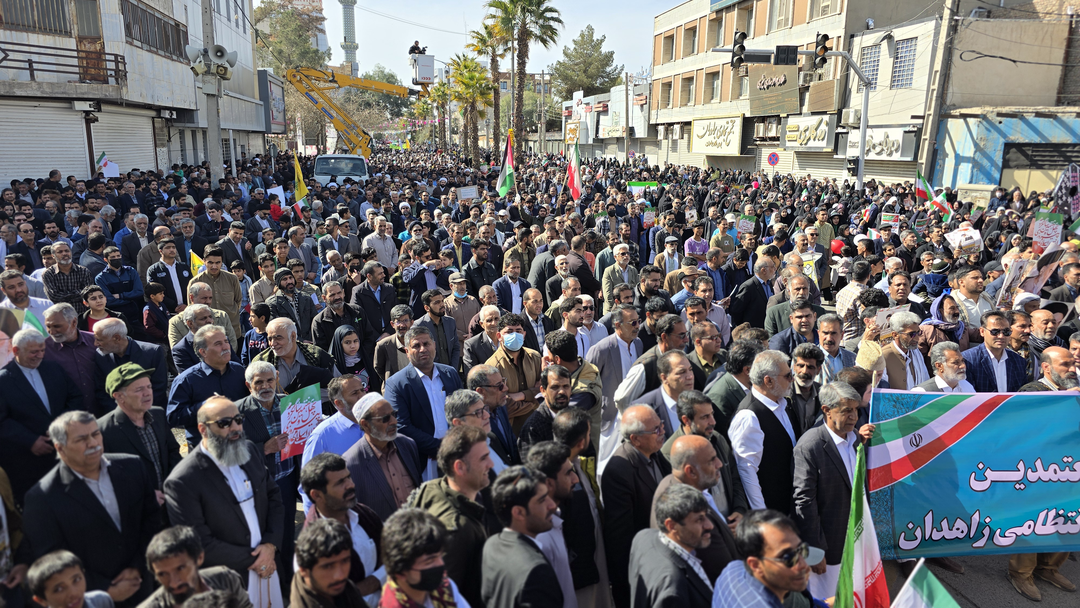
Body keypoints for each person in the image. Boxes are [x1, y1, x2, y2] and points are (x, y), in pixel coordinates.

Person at [24, 411, 161, 605]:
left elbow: (152, 521)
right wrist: (106, 590)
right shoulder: (42, 498)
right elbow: (52, 561)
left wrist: (138, 567)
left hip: (143, 586)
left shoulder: (133, 467)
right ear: (60, 448)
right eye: (81, 439)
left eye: (95, 434)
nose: (92, 443)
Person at [163, 397, 285, 608]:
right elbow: (199, 543)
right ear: (202, 429)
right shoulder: (183, 481)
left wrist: (271, 544)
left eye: (238, 419)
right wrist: (257, 559)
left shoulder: (249, 450)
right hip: (229, 581)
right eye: (224, 423)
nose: (235, 427)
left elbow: (274, 497)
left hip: (268, 565)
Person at [792, 381, 868, 599]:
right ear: (826, 410)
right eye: (847, 411)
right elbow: (804, 503)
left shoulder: (854, 440)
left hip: (856, 541)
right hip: (829, 549)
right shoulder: (810, 446)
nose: (854, 416)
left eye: (856, 410)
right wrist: (815, 551)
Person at [408, 424, 491, 607]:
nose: (490, 464)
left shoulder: (433, 487)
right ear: (459, 467)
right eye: (483, 458)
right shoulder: (458, 529)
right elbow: (445, 596)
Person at [0, 328, 83, 501]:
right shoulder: (3, 381)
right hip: (29, 461)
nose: (40, 355)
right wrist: (30, 441)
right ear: (16, 351)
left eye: (42, 350)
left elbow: (75, 397)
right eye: (34, 352)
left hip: (66, 451)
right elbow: (2, 421)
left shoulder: (53, 369)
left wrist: (63, 426)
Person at [236, 362, 300, 586]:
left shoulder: (291, 404)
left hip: (288, 480)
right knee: (264, 535)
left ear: (277, 379)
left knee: (287, 531)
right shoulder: (237, 412)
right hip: (258, 486)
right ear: (248, 385)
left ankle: (289, 582)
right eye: (259, 382)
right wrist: (263, 448)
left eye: (269, 380)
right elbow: (230, 451)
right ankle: (269, 581)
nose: (265, 386)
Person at [602, 405, 671, 608]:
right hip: (642, 572)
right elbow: (620, 539)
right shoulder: (619, 471)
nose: (663, 432)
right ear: (635, 439)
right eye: (655, 430)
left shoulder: (656, 454)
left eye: (662, 426)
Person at [298, 453, 384, 601]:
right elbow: (332, 596)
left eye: (348, 477)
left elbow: (392, 554)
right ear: (317, 495)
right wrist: (379, 579)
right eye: (340, 483)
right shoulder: (313, 544)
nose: (351, 485)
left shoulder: (364, 514)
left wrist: (373, 582)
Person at [384, 326, 463, 480]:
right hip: (424, 461)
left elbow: (464, 411)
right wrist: (440, 448)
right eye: (416, 346)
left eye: (426, 344)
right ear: (407, 352)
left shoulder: (450, 373)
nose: (422, 349)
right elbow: (401, 427)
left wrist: (457, 443)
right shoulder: (396, 383)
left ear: (434, 345)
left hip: (457, 454)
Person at [728, 350, 801, 515]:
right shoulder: (749, 416)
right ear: (768, 381)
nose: (793, 379)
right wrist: (761, 515)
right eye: (788, 375)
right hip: (772, 511)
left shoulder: (783, 403)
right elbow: (747, 471)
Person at [481, 465, 564, 608]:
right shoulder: (537, 572)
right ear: (518, 512)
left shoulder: (492, 544)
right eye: (542, 500)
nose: (552, 506)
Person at [97, 363, 182, 493]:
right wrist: (145, 496)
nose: (147, 393)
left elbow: (173, 451)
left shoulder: (158, 415)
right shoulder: (103, 430)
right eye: (139, 389)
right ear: (119, 396)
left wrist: (172, 484)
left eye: (149, 387)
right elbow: (105, 476)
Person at [711, 510, 820, 608]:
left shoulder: (732, 569)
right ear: (755, 565)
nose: (804, 565)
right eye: (788, 557)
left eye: (802, 550)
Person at [630, 483, 714, 608]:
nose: (709, 525)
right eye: (699, 519)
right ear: (672, 525)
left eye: (706, 516)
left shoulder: (643, 537)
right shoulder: (672, 592)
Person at [342, 393, 423, 520]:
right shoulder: (351, 463)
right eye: (385, 418)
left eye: (394, 414)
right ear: (365, 424)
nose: (394, 421)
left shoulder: (407, 445)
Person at [166, 325, 248, 443]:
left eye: (226, 341)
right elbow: (173, 417)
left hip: (238, 441)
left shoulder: (239, 371)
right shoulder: (187, 380)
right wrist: (204, 406)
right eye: (218, 344)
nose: (226, 347)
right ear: (203, 352)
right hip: (205, 447)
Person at [378, 508, 471, 607]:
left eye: (440, 556)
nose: (441, 564)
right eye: (429, 561)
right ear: (400, 572)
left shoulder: (446, 588)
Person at [140, 526, 252, 608]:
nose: (174, 583)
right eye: (162, 574)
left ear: (199, 558)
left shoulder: (225, 580)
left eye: (180, 569)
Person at [92, 318, 168, 410]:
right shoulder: (100, 356)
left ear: (116, 338)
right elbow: (101, 391)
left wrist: (138, 410)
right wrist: (122, 412)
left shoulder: (152, 352)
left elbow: (159, 388)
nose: (95, 344)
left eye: (99, 340)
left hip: (150, 414)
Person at [290, 519, 368, 607]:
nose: (340, 576)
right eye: (328, 566)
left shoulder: (350, 592)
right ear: (304, 570)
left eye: (345, 561)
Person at [487, 313, 543, 433]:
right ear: (499, 336)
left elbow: (544, 392)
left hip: (537, 426)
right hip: (511, 431)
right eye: (509, 332)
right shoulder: (492, 366)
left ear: (524, 334)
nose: (514, 335)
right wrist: (533, 401)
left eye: (518, 331)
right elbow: (503, 406)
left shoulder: (535, 357)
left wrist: (519, 396)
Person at [42, 302, 100, 414]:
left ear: (74, 322)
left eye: (57, 326)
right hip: (68, 418)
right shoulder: (43, 349)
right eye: (48, 327)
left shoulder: (96, 341)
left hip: (101, 413)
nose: (52, 332)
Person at [962, 310, 1028, 393]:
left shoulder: (1019, 361)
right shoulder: (968, 360)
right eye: (995, 332)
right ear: (982, 331)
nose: (1001, 336)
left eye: (1006, 332)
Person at [28, 550, 116, 608]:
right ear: (41, 600)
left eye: (77, 580)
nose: (73, 593)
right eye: (59, 589)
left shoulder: (101, 601)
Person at [879, 311, 930, 390]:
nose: (917, 338)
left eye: (918, 333)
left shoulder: (916, 352)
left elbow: (926, 382)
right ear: (895, 335)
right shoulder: (883, 356)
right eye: (911, 334)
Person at [265, 268, 316, 343]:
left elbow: (315, 321)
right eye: (284, 279)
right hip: (288, 343)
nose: (289, 281)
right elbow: (277, 329)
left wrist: (311, 339)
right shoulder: (272, 303)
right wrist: (300, 341)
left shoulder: (306, 298)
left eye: (290, 278)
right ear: (278, 283)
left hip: (310, 341)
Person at [414, 289, 460, 370]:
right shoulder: (418, 326)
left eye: (442, 301)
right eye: (437, 302)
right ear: (427, 307)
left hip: (450, 371)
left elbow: (455, 348)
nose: (442, 304)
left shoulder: (450, 322)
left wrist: (452, 369)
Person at [727, 258, 776, 329]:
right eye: (772, 266)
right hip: (753, 331)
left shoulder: (769, 284)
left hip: (767, 328)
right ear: (763, 270)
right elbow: (737, 311)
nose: (775, 269)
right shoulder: (748, 287)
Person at [374, 305, 412, 391]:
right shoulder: (383, 345)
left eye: (405, 320)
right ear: (392, 324)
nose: (402, 325)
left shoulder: (418, 343)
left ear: (412, 322)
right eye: (398, 321)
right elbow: (378, 367)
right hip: (394, 390)